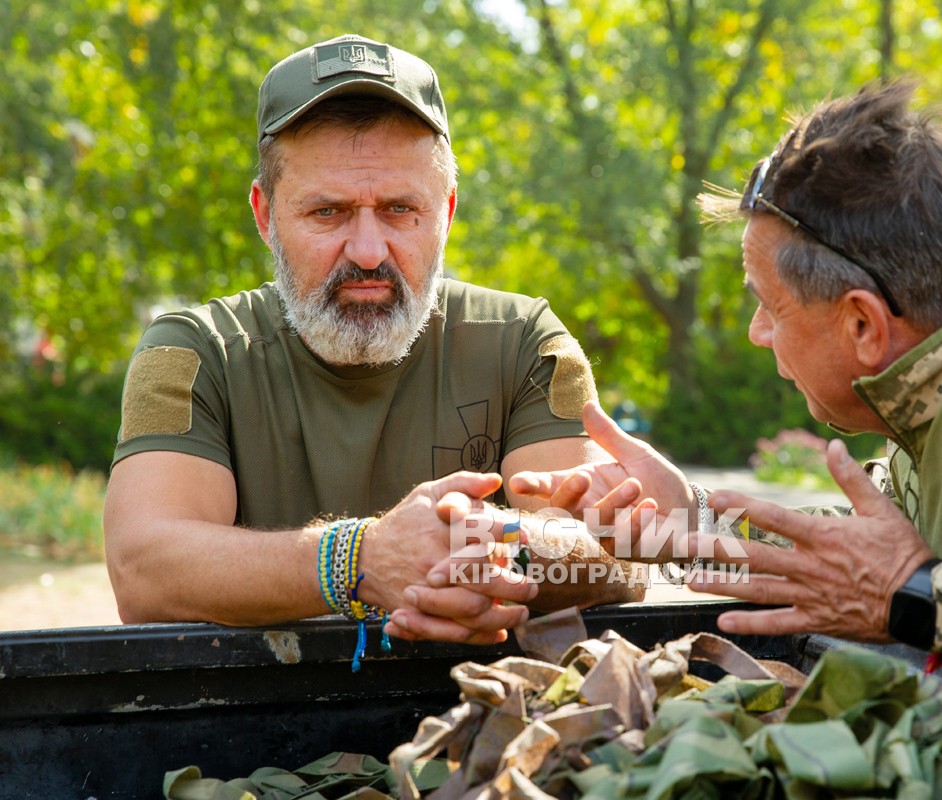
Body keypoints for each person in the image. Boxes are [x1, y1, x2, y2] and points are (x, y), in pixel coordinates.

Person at [508, 79, 942, 690]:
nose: (755, 332)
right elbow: (863, 559)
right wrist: (689, 521)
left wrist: (917, 599)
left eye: (769, 305)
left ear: (863, 323)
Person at [103, 34, 644, 646]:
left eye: (399, 210)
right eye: (327, 212)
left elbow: (615, 550)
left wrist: (466, 549)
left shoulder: (527, 344)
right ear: (265, 216)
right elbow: (143, 570)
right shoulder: (191, 354)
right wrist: (359, 558)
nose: (366, 251)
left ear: (446, 211)